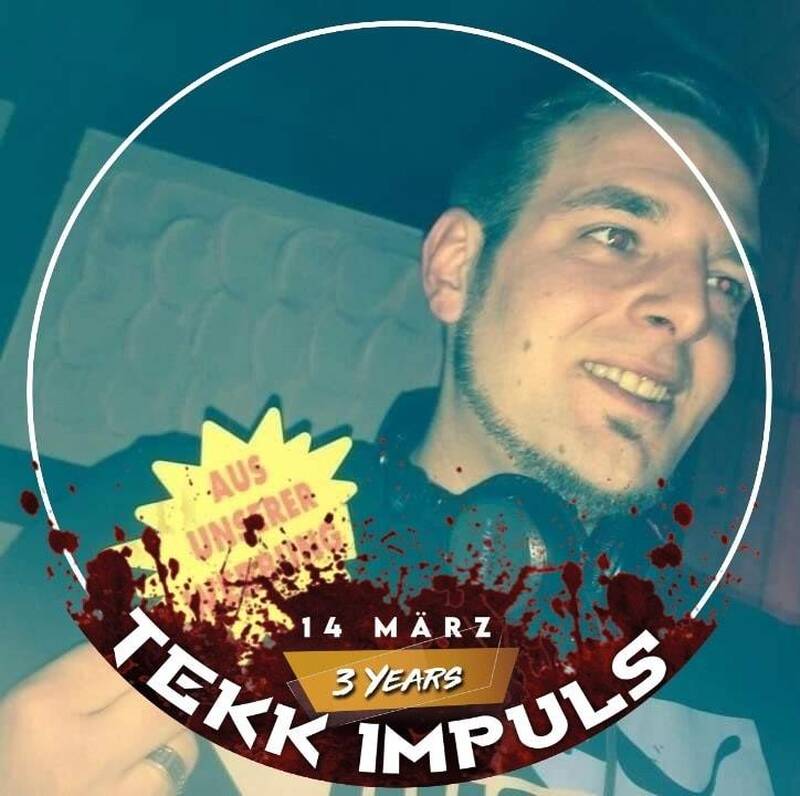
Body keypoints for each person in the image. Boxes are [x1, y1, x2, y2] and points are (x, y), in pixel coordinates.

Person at [0, 70, 796, 794]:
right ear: (455, 267)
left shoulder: (775, 683)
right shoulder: (158, 526)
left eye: (726, 284)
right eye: (615, 237)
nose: (693, 311)